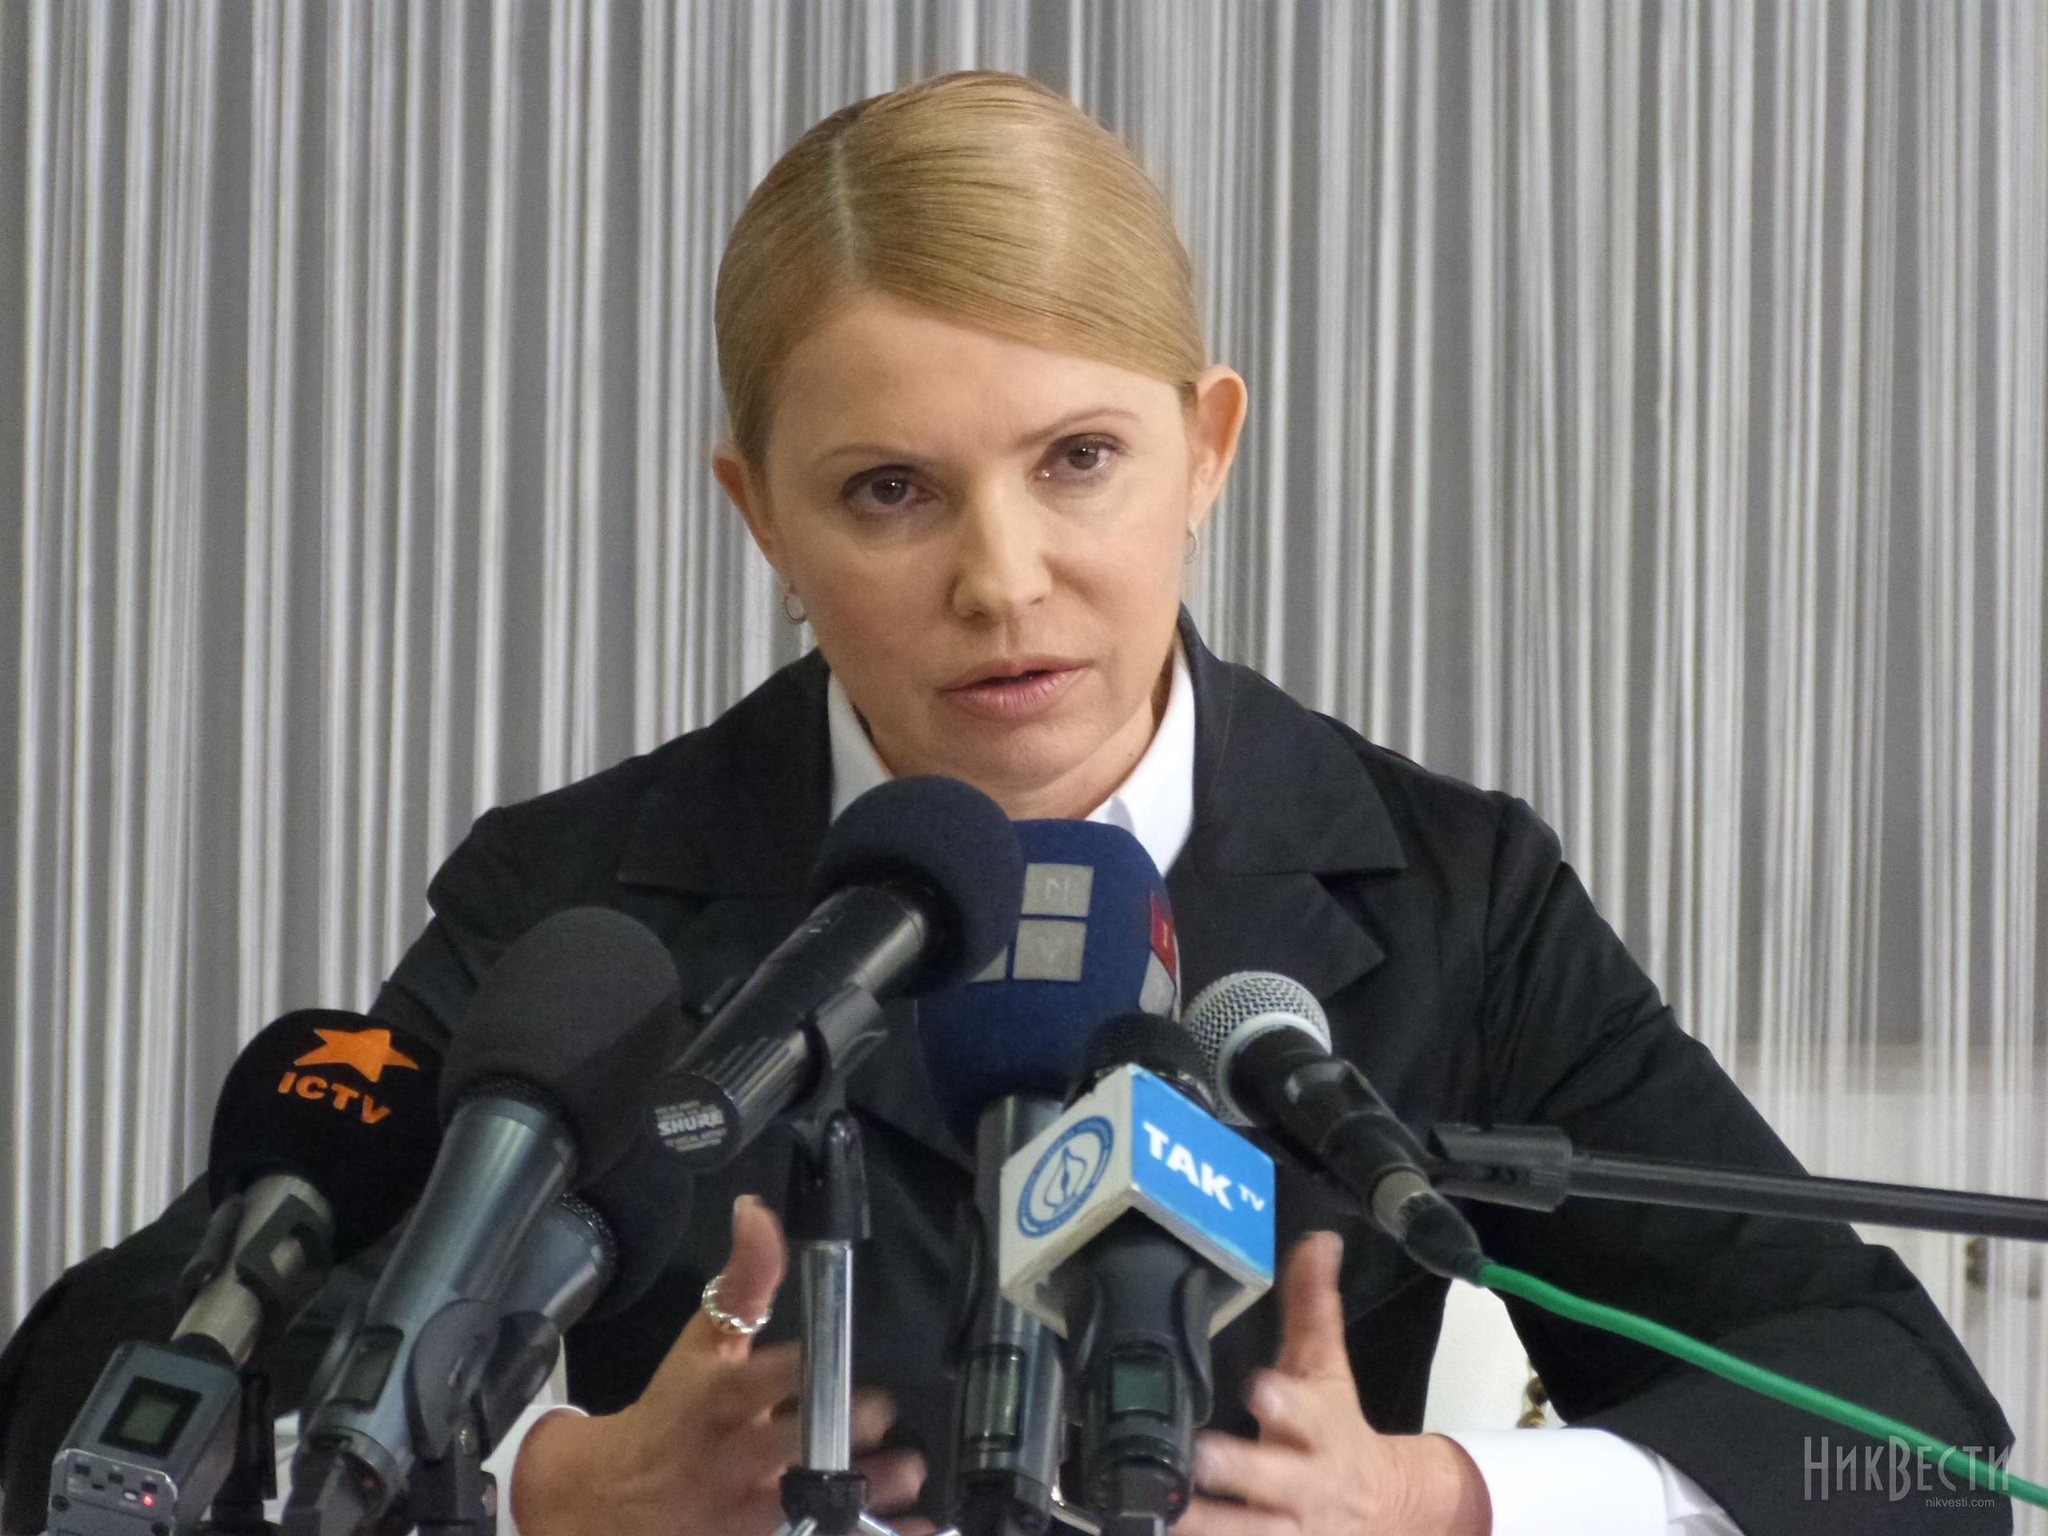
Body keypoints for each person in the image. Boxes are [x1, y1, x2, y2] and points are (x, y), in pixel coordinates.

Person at [0, 70, 2015, 1536]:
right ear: (762, 518)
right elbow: (77, 1406)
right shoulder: (589, 902)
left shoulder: (1441, 893)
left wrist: (1446, 1498)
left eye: (1077, 461)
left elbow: (1907, 1443)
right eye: (888, 490)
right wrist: (548, 1482)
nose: (1002, 578)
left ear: (1206, 449)